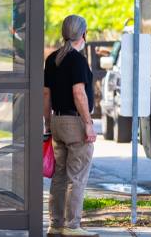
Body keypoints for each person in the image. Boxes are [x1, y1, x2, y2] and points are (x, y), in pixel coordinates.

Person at [43, 15, 98, 237]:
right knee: (77, 176)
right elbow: (79, 93)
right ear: (83, 34)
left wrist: (48, 123)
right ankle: (72, 225)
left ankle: (55, 224)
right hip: (75, 122)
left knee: (59, 176)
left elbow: (46, 94)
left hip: (57, 122)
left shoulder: (52, 59)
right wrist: (88, 124)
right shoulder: (77, 60)